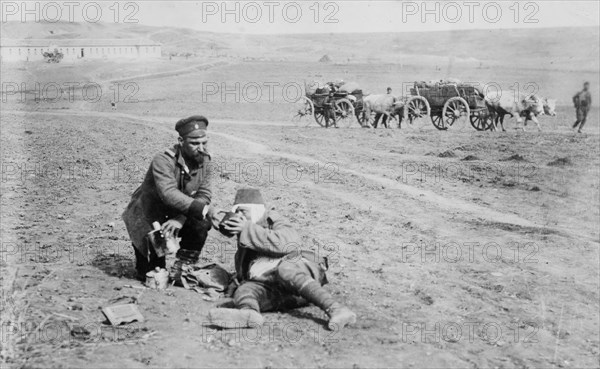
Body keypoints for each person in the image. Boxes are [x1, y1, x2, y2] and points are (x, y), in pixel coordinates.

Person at [208, 188, 356, 331]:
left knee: (286, 268)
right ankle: (248, 314)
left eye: (243, 211)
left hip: (300, 275)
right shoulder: (246, 234)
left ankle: (337, 309)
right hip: (284, 292)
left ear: (256, 210)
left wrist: (246, 229)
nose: (240, 216)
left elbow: (288, 243)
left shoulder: (272, 219)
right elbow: (246, 270)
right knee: (245, 289)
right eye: (237, 212)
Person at [122, 115, 215, 281]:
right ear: (181, 141)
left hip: (177, 211)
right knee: (151, 273)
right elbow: (168, 193)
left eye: (204, 142)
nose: (201, 148)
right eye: (194, 143)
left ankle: (184, 267)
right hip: (148, 214)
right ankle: (148, 262)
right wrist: (202, 209)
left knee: (201, 222)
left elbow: (204, 194)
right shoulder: (163, 160)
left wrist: (181, 219)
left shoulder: (205, 160)